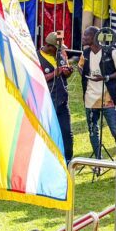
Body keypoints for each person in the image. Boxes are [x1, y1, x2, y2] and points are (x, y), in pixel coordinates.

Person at [79, 26, 116, 160]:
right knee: (93, 131)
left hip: (108, 99)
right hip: (90, 98)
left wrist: (105, 78)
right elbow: (80, 68)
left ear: (95, 37)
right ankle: (98, 160)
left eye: (86, 36)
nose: (83, 38)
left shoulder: (112, 52)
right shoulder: (85, 54)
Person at [37, 31, 74, 162]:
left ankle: (69, 162)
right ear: (49, 46)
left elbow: (65, 73)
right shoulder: (36, 57)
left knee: (67, 134)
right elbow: (37, 79)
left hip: (62, 101)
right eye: (57, 49)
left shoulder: (59, 54)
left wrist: (67, 72)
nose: (59, 51)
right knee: (48, 134)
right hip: (46, 104)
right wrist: (55, 73)